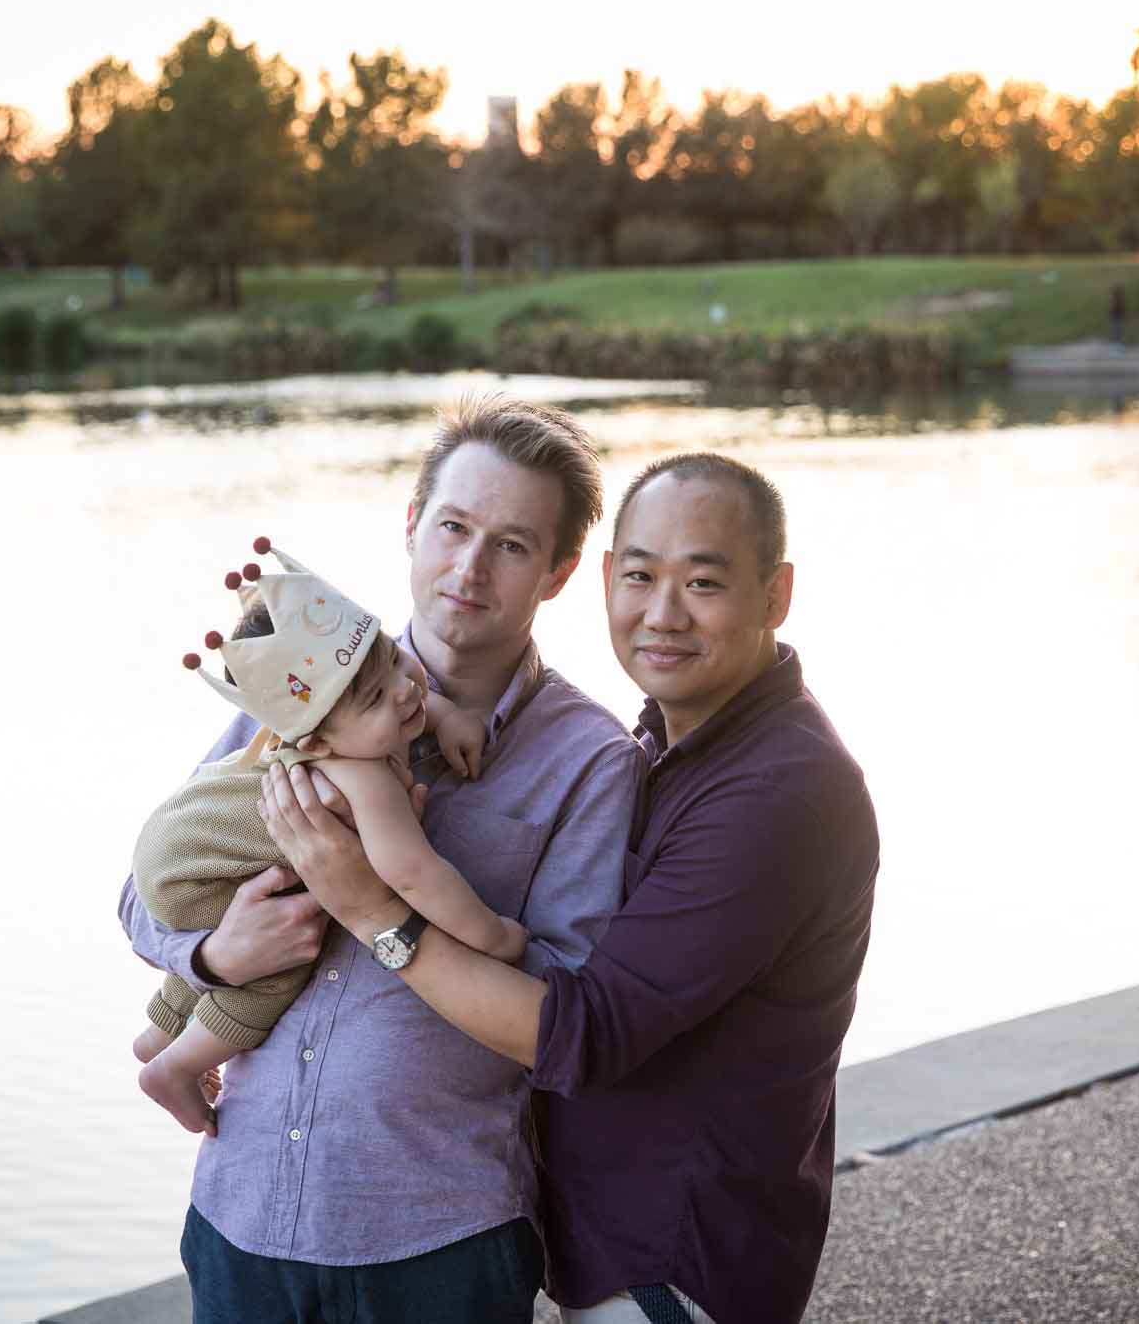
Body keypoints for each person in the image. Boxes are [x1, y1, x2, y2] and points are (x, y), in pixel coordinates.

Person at [263, 452, 880, 1324]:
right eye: (640, 576)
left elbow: (581, 1031)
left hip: (674, 1267)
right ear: (602, 581)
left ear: (774, 596)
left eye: (703, 582)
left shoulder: (777, 790)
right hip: (611, 1255)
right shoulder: (676, 743)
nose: (661, 613)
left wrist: (373, 911)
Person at [118, 395, 643, 1324]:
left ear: (558, 574)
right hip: (242, 1212)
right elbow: (146, 894)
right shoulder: (300, 685)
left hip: (437, 1239)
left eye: (513, 545)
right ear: (411, 526)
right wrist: (216, 956)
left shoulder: (590, 761)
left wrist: (375, 909)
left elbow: (558, 1014)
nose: (469, 568)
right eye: (453, 526)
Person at [128, 539, 521, 1138]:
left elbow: (389, 688)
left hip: (182, 835)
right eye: (373, 696)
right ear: (315, 745)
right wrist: (490, 934)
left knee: (249, 907)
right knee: (284, 950)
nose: (404, 689)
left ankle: (160, 1027)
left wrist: (445, 715)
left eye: (392, 656)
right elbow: (413, 871)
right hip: (187, 866)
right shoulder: (362, 777)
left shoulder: (332, 721)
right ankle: (177, 1066)